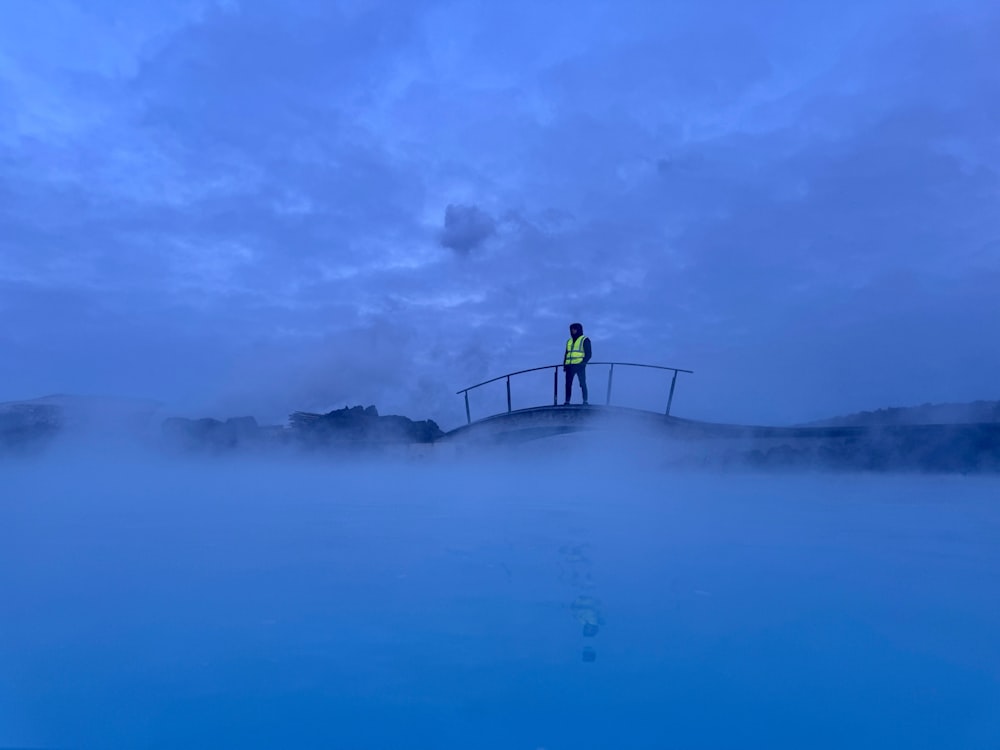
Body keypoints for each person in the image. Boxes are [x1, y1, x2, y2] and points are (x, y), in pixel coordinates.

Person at [563, 322, 592, 405]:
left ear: (578, 330)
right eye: (571, 329)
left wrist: (583, 363)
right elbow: (566, 353)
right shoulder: (569, 341)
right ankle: (567, 401)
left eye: (574, 329)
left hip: (580, 366)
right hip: (569, 366)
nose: (572, 331)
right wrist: (565, 365)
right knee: (568, 384)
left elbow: (589, 354)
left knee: (582, 383)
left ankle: (585, 401)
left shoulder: (585, 340)